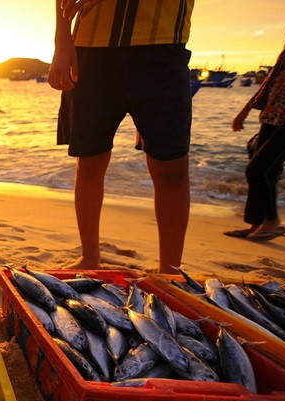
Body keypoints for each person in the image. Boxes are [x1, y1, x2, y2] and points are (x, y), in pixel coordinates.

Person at [49, 0, 194, 274]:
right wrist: (62, 41)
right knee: (89, 160)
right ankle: (90, 257)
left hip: (163, 46)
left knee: (172, 167)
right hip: (90, 48)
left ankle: (171, 269)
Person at [225, 17, 285, 242]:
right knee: (261, 168)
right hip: (273, 113)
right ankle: (255, 224)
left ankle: (272, 222)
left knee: (259, 169)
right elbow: (273, 79)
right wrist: (244, 111)